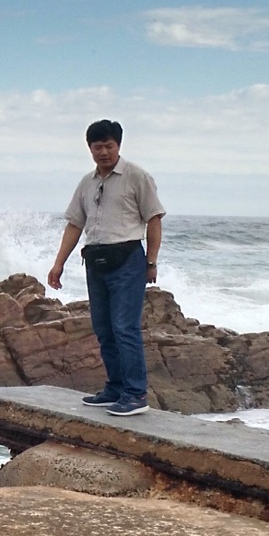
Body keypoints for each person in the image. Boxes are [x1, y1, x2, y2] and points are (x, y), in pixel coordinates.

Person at [46, 119, 165, 416]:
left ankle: (136, 394)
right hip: (95, 261)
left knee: (125, 328)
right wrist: (58, 263)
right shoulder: (87, 182)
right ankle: (115, 387)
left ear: (118, 145)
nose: (103, 152)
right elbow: (75, 223)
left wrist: (151, 261)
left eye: (108, 146)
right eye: (97, 147)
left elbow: (154, 219)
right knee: (104, 328)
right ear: (89, 148)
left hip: (127, 259)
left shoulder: (137, 177)